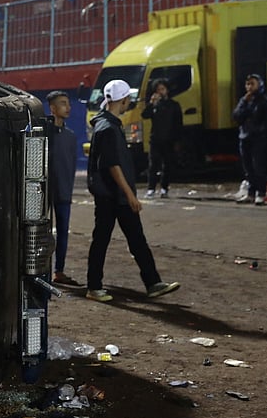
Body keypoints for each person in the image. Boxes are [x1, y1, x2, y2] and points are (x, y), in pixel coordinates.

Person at [84, 79, 180, 303]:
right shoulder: (108, 127)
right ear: (124, 99)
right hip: (112, 196)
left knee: (134, 238)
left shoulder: (106, 124)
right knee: (105, 240)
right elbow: (113, 165)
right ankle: (94, 287)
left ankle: (153, 283)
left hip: (113, 194)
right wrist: (130, 195)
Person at [45, 91, 79, 286]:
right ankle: (44, 270)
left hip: (64, 191)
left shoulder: (71, 137)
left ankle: (59, 270)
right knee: (43, 232)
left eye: (68, 103)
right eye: (63, 104)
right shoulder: (44, 134)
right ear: (53, 108)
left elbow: (71, 165)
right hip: (46, 193)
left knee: (63, 232)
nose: (68, 107)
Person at [231, 74, 267, 205]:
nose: (249, 87)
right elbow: (236, 116)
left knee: (258, 166)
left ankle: (261, 193)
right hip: (244, 135)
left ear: (259, 84)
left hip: (258, 136)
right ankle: (250, 193)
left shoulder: (263, 100)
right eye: (247, 84)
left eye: (252, 84)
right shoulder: (244, 100)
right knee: (248, 166)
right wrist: (244, 102)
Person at [141, 78, 181, 197]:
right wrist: (151, 104)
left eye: (162, 89)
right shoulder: (155, 105)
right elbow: (144, 115)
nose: (160, 92)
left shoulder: (174, 105)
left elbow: (178, 123)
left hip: (169, 140)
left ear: (167, 90)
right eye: (158, 90)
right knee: (153, 164)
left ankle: (164, 188)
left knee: (167, 165)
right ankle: (151, 189)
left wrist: (178, 140)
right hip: (155, 139)